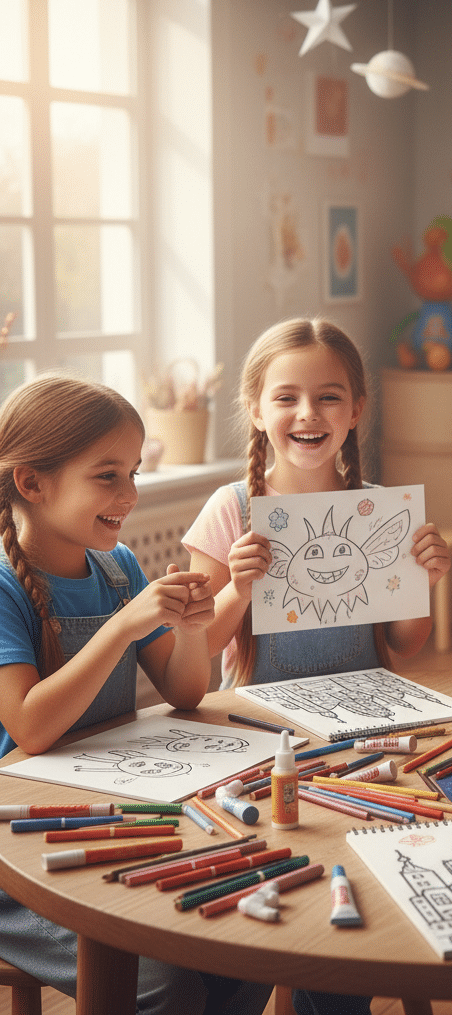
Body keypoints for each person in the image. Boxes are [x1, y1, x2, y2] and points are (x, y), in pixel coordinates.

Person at [184, 316, 451, 1015]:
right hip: (262, 743)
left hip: (363, 740)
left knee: (348, 911)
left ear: (357, 410)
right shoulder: (231, 509)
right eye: (287, 398)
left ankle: (332, 991)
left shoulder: (377, 507)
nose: (309, 414)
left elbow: (407, 643)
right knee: (270, 909)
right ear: (255, 410)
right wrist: (239, 589)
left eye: (330, 397)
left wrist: (426, 579)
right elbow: (198, 652)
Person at [0, 374, 268, 1015]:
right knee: (160, 979)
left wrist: (190, 628)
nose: (130, 494)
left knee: (245, 938)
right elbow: (31, 729)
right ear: (31, 483)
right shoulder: (6, 585)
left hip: (115, 806)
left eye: (134, 472)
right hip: (19, 845)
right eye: (107, 476)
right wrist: (125, 624)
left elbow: (183, 691)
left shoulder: (119, 568)